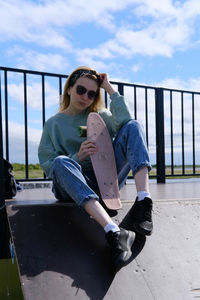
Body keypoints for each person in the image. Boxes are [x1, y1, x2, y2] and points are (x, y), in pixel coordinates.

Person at [38, 66, 153, 272]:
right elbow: (49, 165)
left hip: (106, 178)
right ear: (69, 89)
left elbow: (127, 121)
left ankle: (144, 201)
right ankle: (114, 232)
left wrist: (109, 88)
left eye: (92, 94)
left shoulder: (99, 116)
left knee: (134, 126)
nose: (86, 97)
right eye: (81, 90)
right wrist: (77, 157)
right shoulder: (53, 124)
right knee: (61, 161)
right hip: (73, 184)